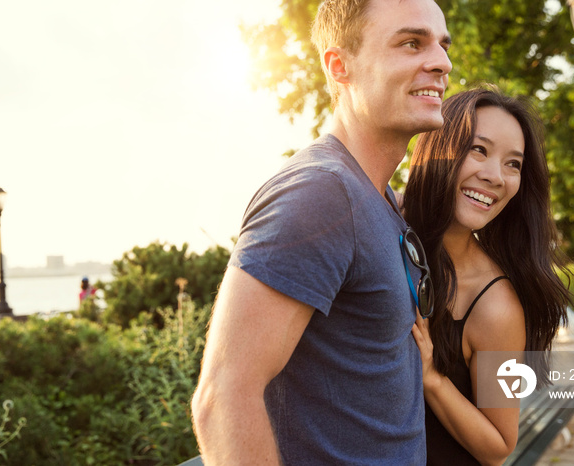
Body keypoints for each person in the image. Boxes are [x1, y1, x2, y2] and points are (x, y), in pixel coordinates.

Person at [190, 0, 452, 464]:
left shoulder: (379, 197)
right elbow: (224, 397)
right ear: (340, 65)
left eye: (441, 45)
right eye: (412, 43)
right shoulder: (320, 194)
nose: (441, 62)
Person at [403, 88, 572, 465]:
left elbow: (499, 444)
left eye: (514, 164)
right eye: (479, 150)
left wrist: (432, 378)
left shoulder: (496, 305)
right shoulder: (385, 219)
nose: (496, 176)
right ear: (439, 146)